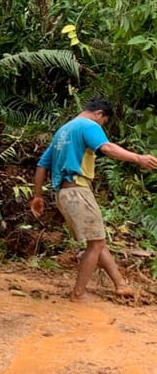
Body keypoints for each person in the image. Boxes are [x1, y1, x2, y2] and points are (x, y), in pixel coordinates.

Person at [30, 97, 157, 302]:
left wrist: (37, 196)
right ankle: (78, 295)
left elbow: (41, 165)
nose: (101, 126)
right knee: (96, 244)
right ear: (99, 114)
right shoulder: (88, 125)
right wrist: (138, 158)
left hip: (63, 194)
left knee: (97, 241)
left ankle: (121, 285)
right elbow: (106, 148)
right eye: (103, 122)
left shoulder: (62, 131)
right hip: (77, 190)